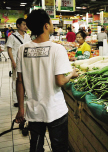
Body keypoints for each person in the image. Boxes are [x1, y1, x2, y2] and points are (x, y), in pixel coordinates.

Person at [15, 9, 78, 151]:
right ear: (46, 26)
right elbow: (60, 81)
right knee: (59, 147)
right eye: (50, 21)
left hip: (34, 110)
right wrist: (71, 75)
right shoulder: (57, 49)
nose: (52, 23)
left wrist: (21, 109)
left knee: (36, 147)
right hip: (56, 110)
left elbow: (20, 81)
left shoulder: (22, 49)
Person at [6, 18, 31, 107]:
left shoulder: (28, 36)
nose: (25, 26)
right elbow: (9, 49)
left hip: (27, 61)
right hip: (16, 61)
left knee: (27, 78)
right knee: (16, 79)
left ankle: (27, 95)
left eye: (26, 24)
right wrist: (13, 61)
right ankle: (16, 100)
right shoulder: (12, 37)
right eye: (24, 24)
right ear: (18, 25)